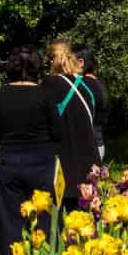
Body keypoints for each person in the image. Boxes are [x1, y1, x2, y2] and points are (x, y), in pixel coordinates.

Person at [0, 43, 60, 255]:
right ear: (38, 67)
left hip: (10, 161)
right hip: (41, 162)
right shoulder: (45, 96)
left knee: (10, 221)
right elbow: (58, 132)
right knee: (42, 219)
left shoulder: (0, 96)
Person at [43, 37, 98, 209]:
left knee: (59, 226)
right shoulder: (88, 86)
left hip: (63, 164)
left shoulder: (48, 85)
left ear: (53, 60)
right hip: (89, 160)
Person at [76, 45, 107, 165]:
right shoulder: (99, 85)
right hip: (99, 144)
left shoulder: (82, 86)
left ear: (80, 62)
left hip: (87, 148)